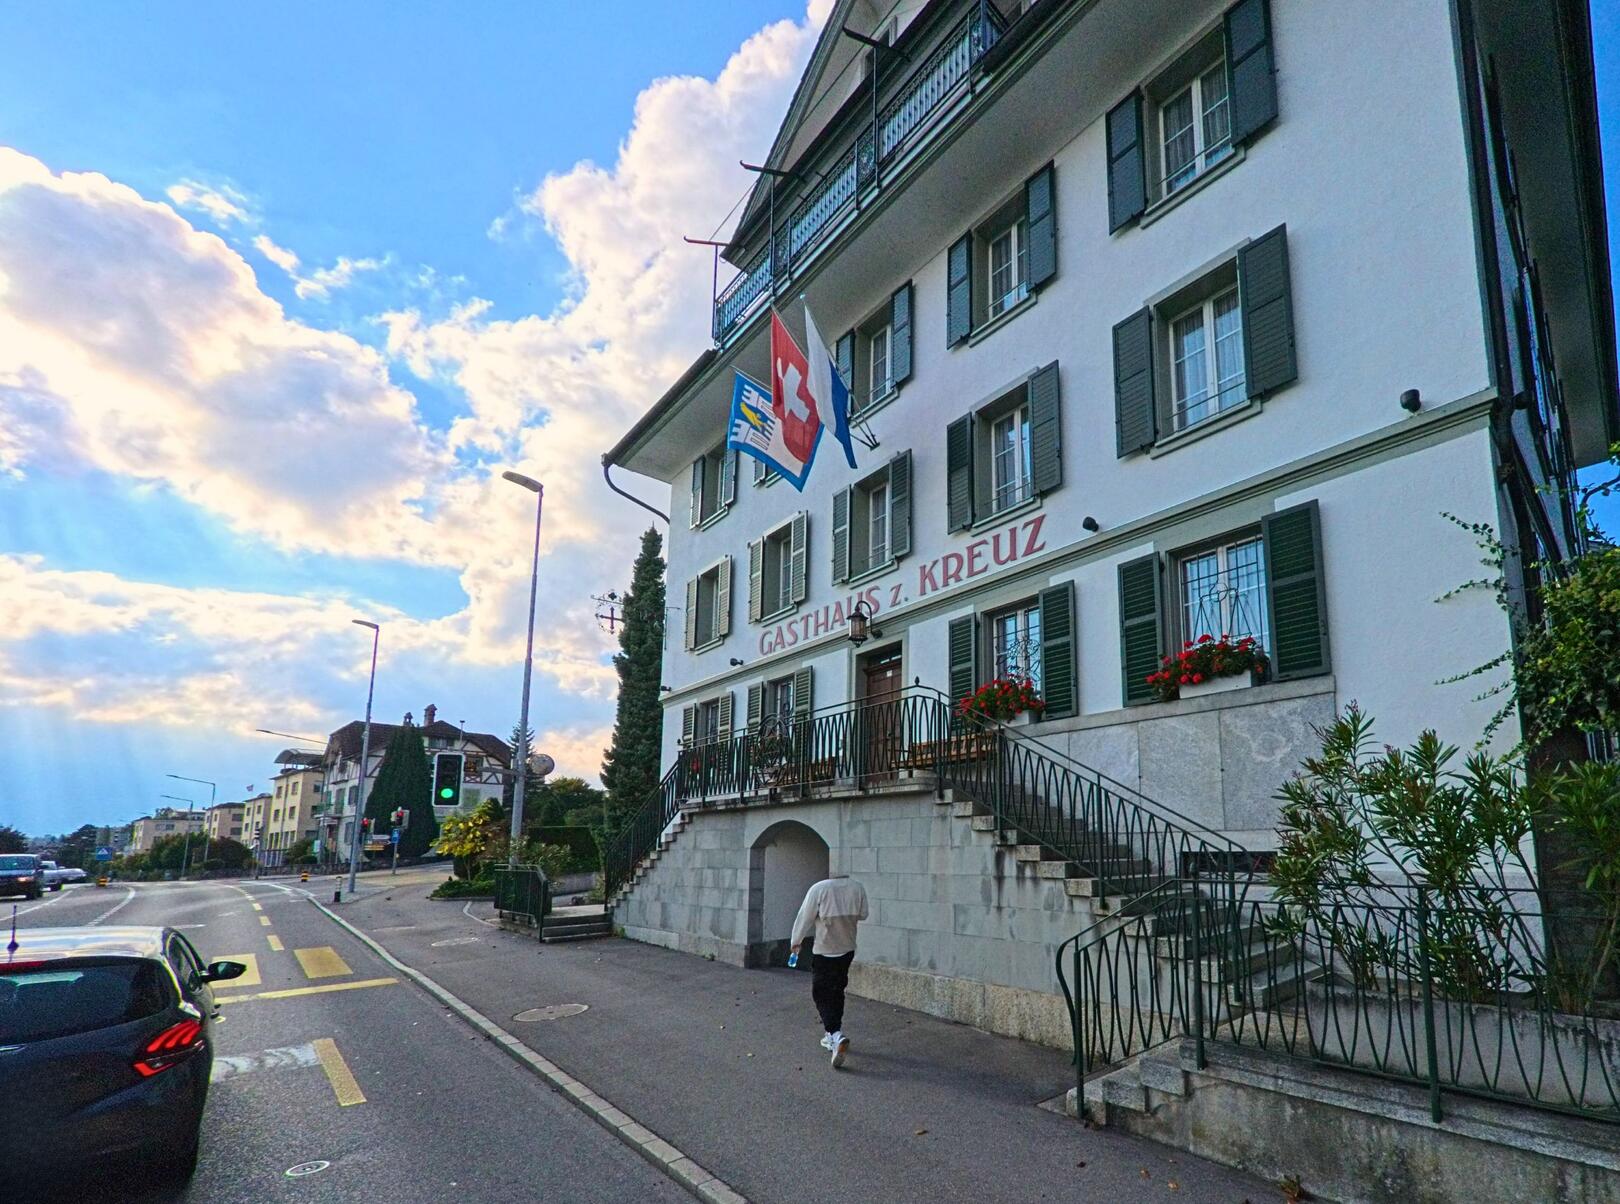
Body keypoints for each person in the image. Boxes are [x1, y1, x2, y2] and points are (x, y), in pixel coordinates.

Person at [789, 873, 869, 1069]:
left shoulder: (819, 889)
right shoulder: (857, 887)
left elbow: (804, 917)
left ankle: (834, 1035)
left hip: (825, 950)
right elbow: (864, 914)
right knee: (837, 990)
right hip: (847, 948)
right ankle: (832, 1034)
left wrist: (795, 941)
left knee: (821, 993)